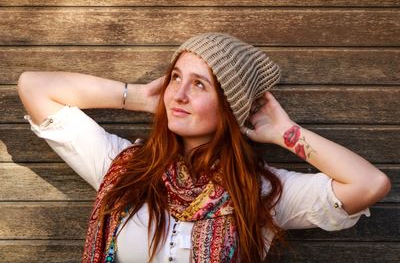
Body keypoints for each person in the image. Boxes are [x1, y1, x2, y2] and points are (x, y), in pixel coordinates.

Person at [18, 33, 390, 263]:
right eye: (176, 78)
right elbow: (34, 87)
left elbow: (367, 184)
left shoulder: (258, 191)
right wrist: (140, 98)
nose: (178, 94)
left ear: (230, 106)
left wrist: (284, 132)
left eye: (200, 85)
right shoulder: (122, 168)